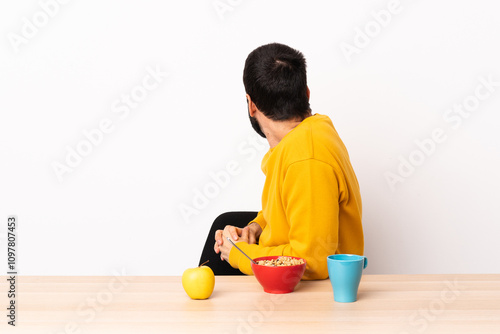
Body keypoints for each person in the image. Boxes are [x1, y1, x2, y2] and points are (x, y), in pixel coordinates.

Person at [199, 43, 364, 280]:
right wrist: (254, 229)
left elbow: (312, 261)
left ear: (251, 104)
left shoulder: (306, 158)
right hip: (284, 280)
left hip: (306, 293)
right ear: (306, 93)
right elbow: (288, 213)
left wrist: (239, 253)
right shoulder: (303, 140)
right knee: (226, 223)